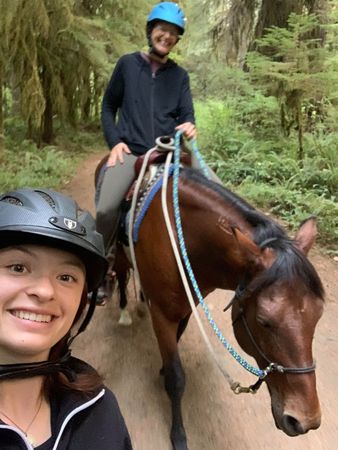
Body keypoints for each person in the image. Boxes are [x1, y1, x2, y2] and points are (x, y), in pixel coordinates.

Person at [0, 188, 132, 449]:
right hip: (130, 157)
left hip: (168, 160)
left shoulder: (102, 409)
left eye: (66, 277)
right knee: (108, 206)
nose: (46, 291)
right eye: (18, 267)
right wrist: (120, 147)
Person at [96, 2, 196, 300]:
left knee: (210, 191)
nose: (166, 36)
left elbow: (187, 116)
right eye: (162, 30)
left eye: (173, 33)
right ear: (151, 31)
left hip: (167, 152)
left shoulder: (180, 77)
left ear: (177, 39)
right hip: (132, 152)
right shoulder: (127, 65)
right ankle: (104, 267)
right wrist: (115, 142)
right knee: (105, 208)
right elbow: (108, 106)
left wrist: (189, 125)